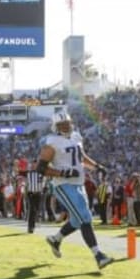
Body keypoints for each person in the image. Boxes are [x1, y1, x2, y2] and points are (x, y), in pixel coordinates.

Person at [39, 111, 113, 270]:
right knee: (85, 218)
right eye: (62, 124)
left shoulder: (76, 137)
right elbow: (41, 169)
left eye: (68, 123)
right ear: (55, 127)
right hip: (63, 185)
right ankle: (98, 255)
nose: (66, 126)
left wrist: (97, 166)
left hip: (79, 183)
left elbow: (81, 157)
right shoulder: (51, 143)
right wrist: (62, 172)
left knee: (77, 219)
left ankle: (56, 239)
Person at [22, 159, 45, 233]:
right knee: (32, 209)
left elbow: (44, 182)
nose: (33, 165)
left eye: (35, 164)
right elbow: (24, 181)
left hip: (38, 193)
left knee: (36, 209)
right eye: (32, 164)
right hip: (31, 193)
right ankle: (30, 227)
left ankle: (33, 225)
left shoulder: (41, 173)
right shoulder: (28, 173)